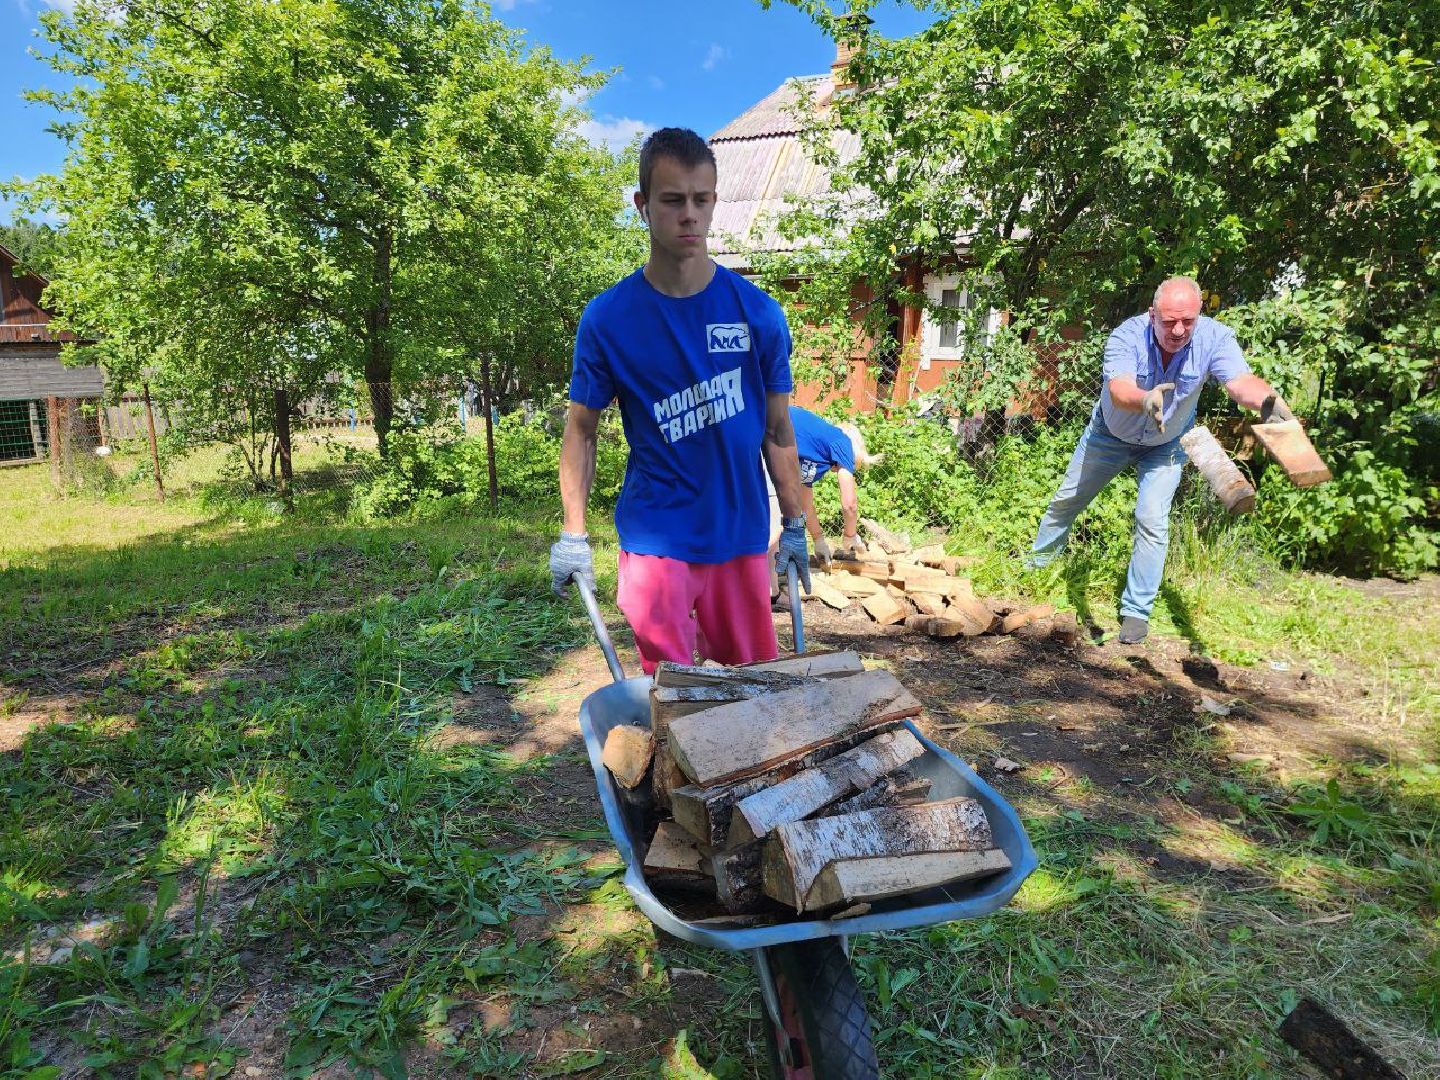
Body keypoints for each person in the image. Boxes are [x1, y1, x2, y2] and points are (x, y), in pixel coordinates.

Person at [548, 127, 810, 673]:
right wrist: (573, 532)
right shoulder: (609, 319)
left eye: (701, 199)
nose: (689, 215)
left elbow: (778, 429)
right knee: (670, 695)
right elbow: (582, 429)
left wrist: (793, 522)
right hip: (655, 541)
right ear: (643, 206)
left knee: (749, 691)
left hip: (737, 536)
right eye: (672, 200)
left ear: (714, 202)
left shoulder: (757, 313)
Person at [1028, 276, 1293, 644]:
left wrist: (1267, 402)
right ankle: (1036, 569)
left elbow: (1239, 381)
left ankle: (1136, 613)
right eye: (1169, 322)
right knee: (1067, 500)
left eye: (1188, 321)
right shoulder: (1126, 336)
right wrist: (1144, 399)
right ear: (1152, 314)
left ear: (1200, 315)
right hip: (1110, 435)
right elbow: (1119, 388)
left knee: (1152, 519)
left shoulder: (1215, 338)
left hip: (1166, 443)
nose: (1179, 330)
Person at [765, 405, 883, 600]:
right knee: (775, 528)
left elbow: (806, 505)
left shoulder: (814, 456)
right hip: (767, 436)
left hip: (768, 445)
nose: (837, 470)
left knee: (775, 521)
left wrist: (819, 540)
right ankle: (763, 589)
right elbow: (850, 504)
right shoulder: (841, 440)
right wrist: (850, 536)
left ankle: (772, 592)